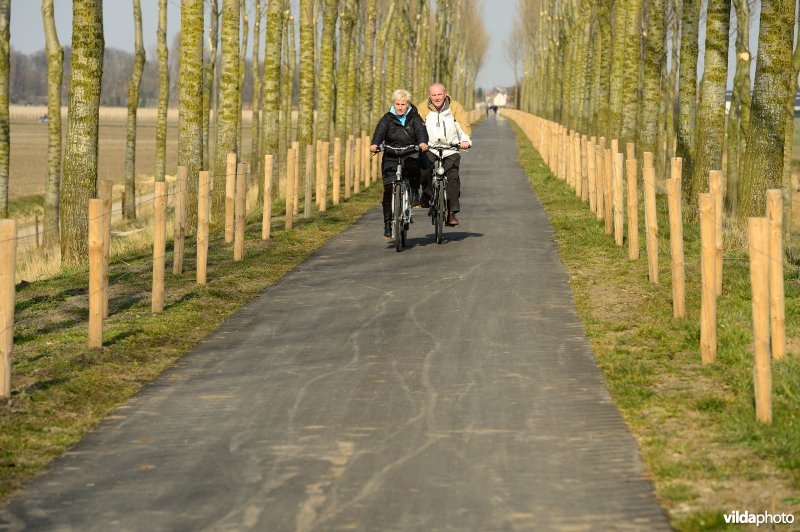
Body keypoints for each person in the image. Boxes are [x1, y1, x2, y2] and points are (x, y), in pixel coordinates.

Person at [370, 89, 429, 238]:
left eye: (403, 104)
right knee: (388, 189)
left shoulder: (415, 117)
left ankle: (415, 193)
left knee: (414, 167)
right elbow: (379, 132)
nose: (400, 107)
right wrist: (375, 144)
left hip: (410, 152)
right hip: (391, 154)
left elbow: (421, 132)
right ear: (394, 104)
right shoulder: (387, 118)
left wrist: (422, 142)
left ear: (408, 104)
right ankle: (388, 225)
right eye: (397, 104)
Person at [417, 83, 471, 226]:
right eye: (433, 95)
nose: (437, 98)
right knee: (424, 168)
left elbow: (463, 124)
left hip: (450, 147)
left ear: (445, 94)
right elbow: (416, 126)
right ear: (429, 95)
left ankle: (452, 213)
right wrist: (419, 142)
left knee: (452, 177)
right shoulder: (422, 108)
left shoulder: (455, 107)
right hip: (430, 147)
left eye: (439, 94)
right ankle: (427, 194)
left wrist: (464, 140)